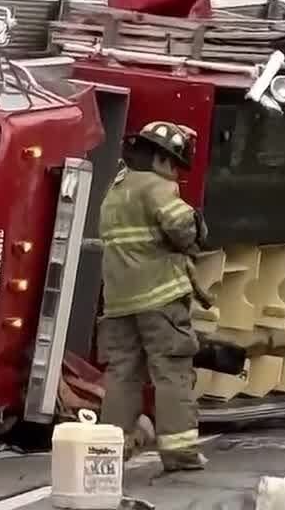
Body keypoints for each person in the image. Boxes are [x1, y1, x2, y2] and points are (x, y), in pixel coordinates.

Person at [98, 120, 208, 473]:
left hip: (118, 303)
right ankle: (180, 454)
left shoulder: (115, 190)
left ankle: (109, 450)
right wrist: (195, 224)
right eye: (175, 163)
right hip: (160, 302)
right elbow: (184, 230)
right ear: (161, 158)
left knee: (122, 375)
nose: (176, 172)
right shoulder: (157, 186)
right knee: (172, 373)